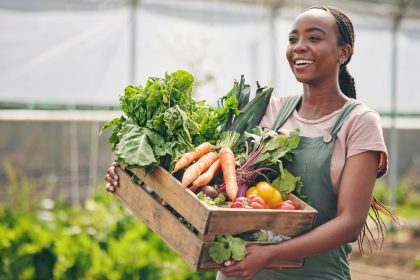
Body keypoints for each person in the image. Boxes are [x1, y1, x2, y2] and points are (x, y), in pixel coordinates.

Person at [105, 5, 397, 280]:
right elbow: (214, 186)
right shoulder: (269, 109)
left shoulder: (358, 121)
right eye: (292, 39)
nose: (299, 47)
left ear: (343, 52)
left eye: (314, 38)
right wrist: (137, 179)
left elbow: (350, 224)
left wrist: (270, 255)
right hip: (240, 271)